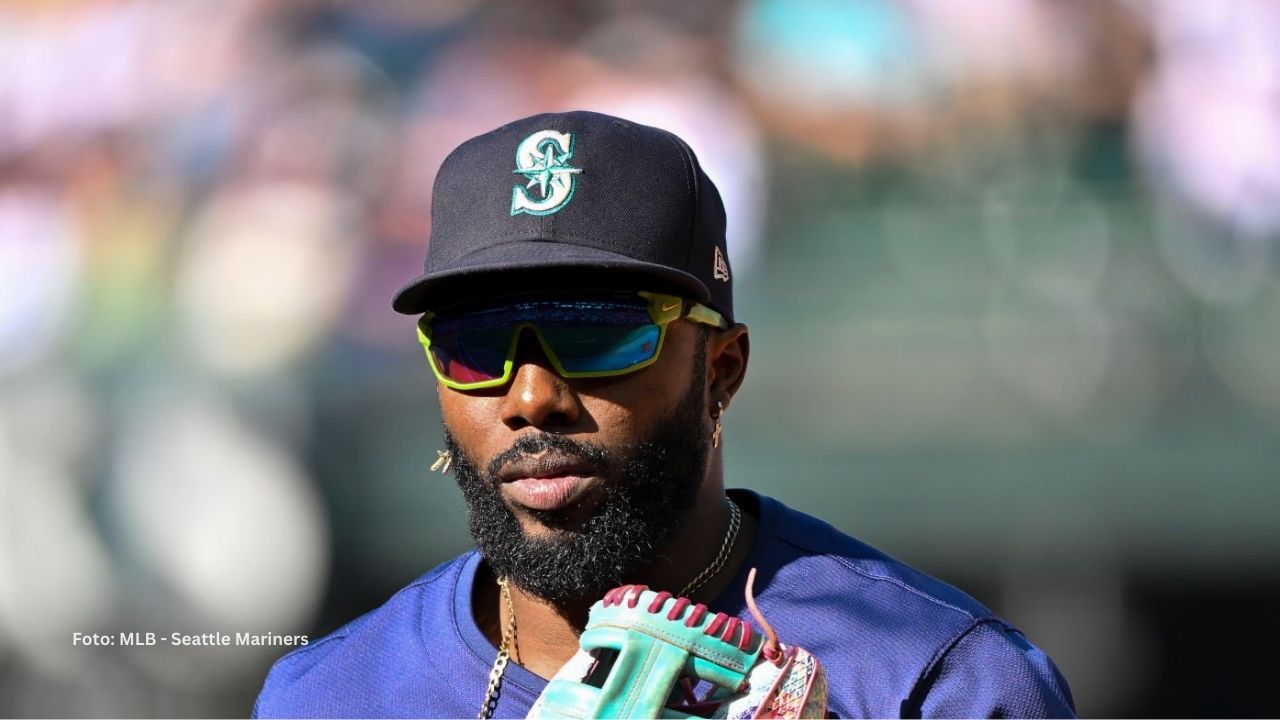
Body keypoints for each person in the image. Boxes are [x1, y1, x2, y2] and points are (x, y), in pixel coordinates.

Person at [253, 110, 1076, 718]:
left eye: (597, 334)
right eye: (474, 345)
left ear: (721, 370)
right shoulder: (327, 696)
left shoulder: (935, 678)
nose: (531, 398)